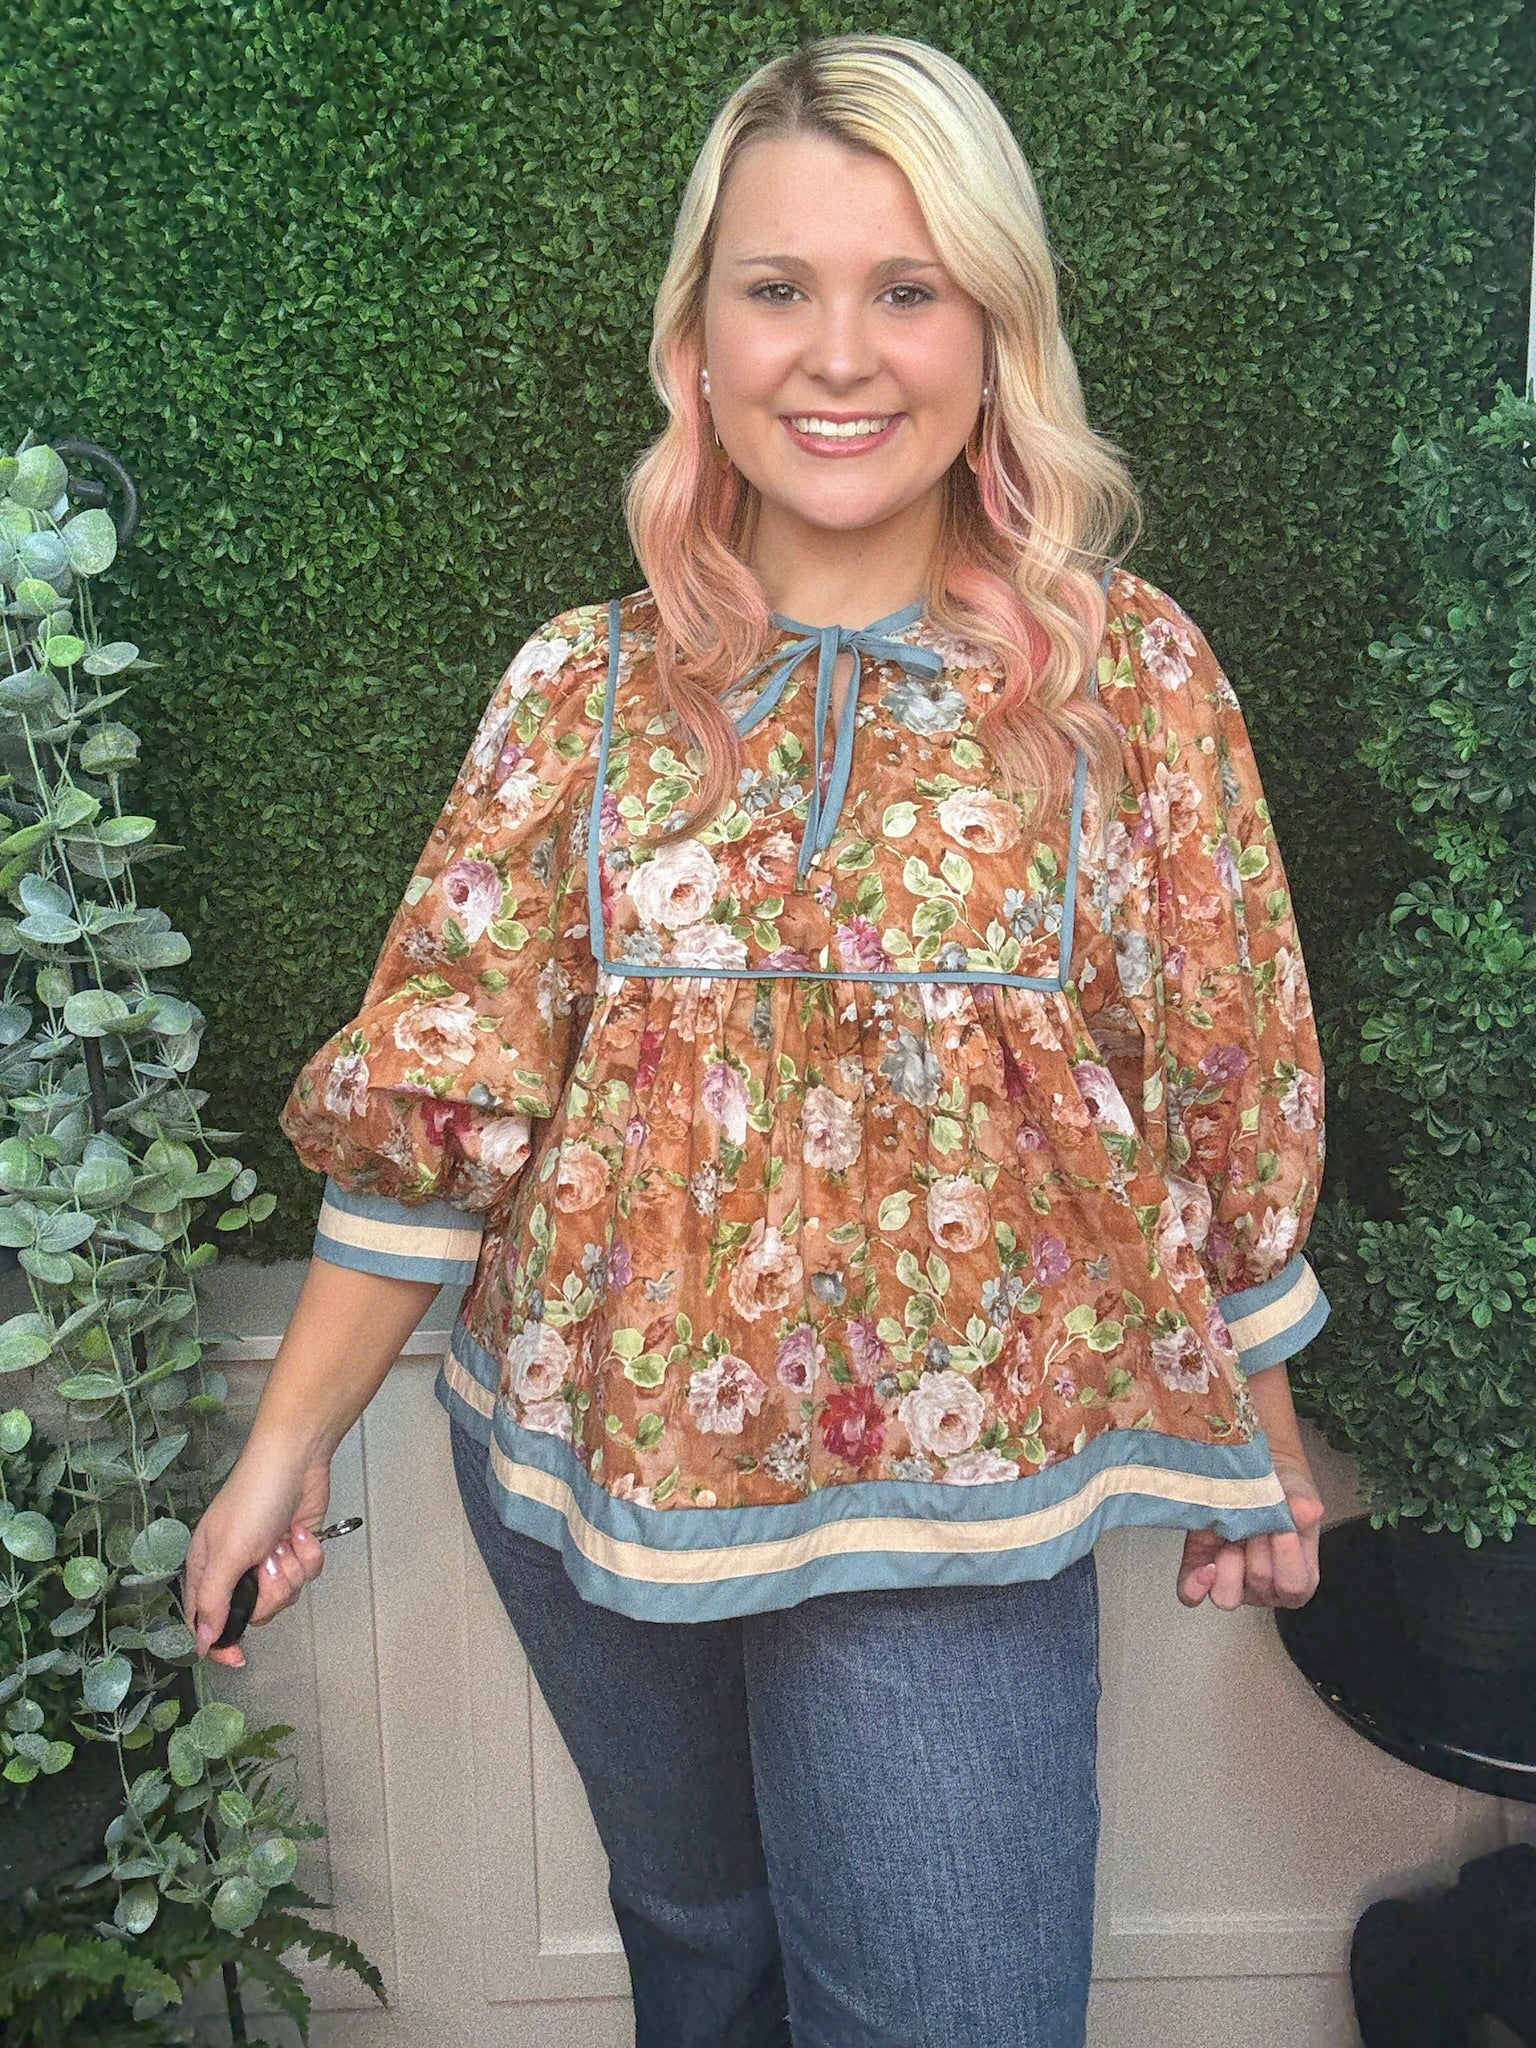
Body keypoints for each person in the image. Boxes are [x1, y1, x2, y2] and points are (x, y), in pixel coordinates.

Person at [184, 32, 1331, 2048]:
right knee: (701, 1952)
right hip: (586, 1481)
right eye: (778, 288)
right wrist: (280, 1458)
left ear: (996, 331)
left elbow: (1219, 1067)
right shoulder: (581, 692)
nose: (841, 354)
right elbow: (444, 1102)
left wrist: (1269, 1439)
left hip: (952, 1514)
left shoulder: (1121, 680)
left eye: (911, 289)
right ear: (697, 341)